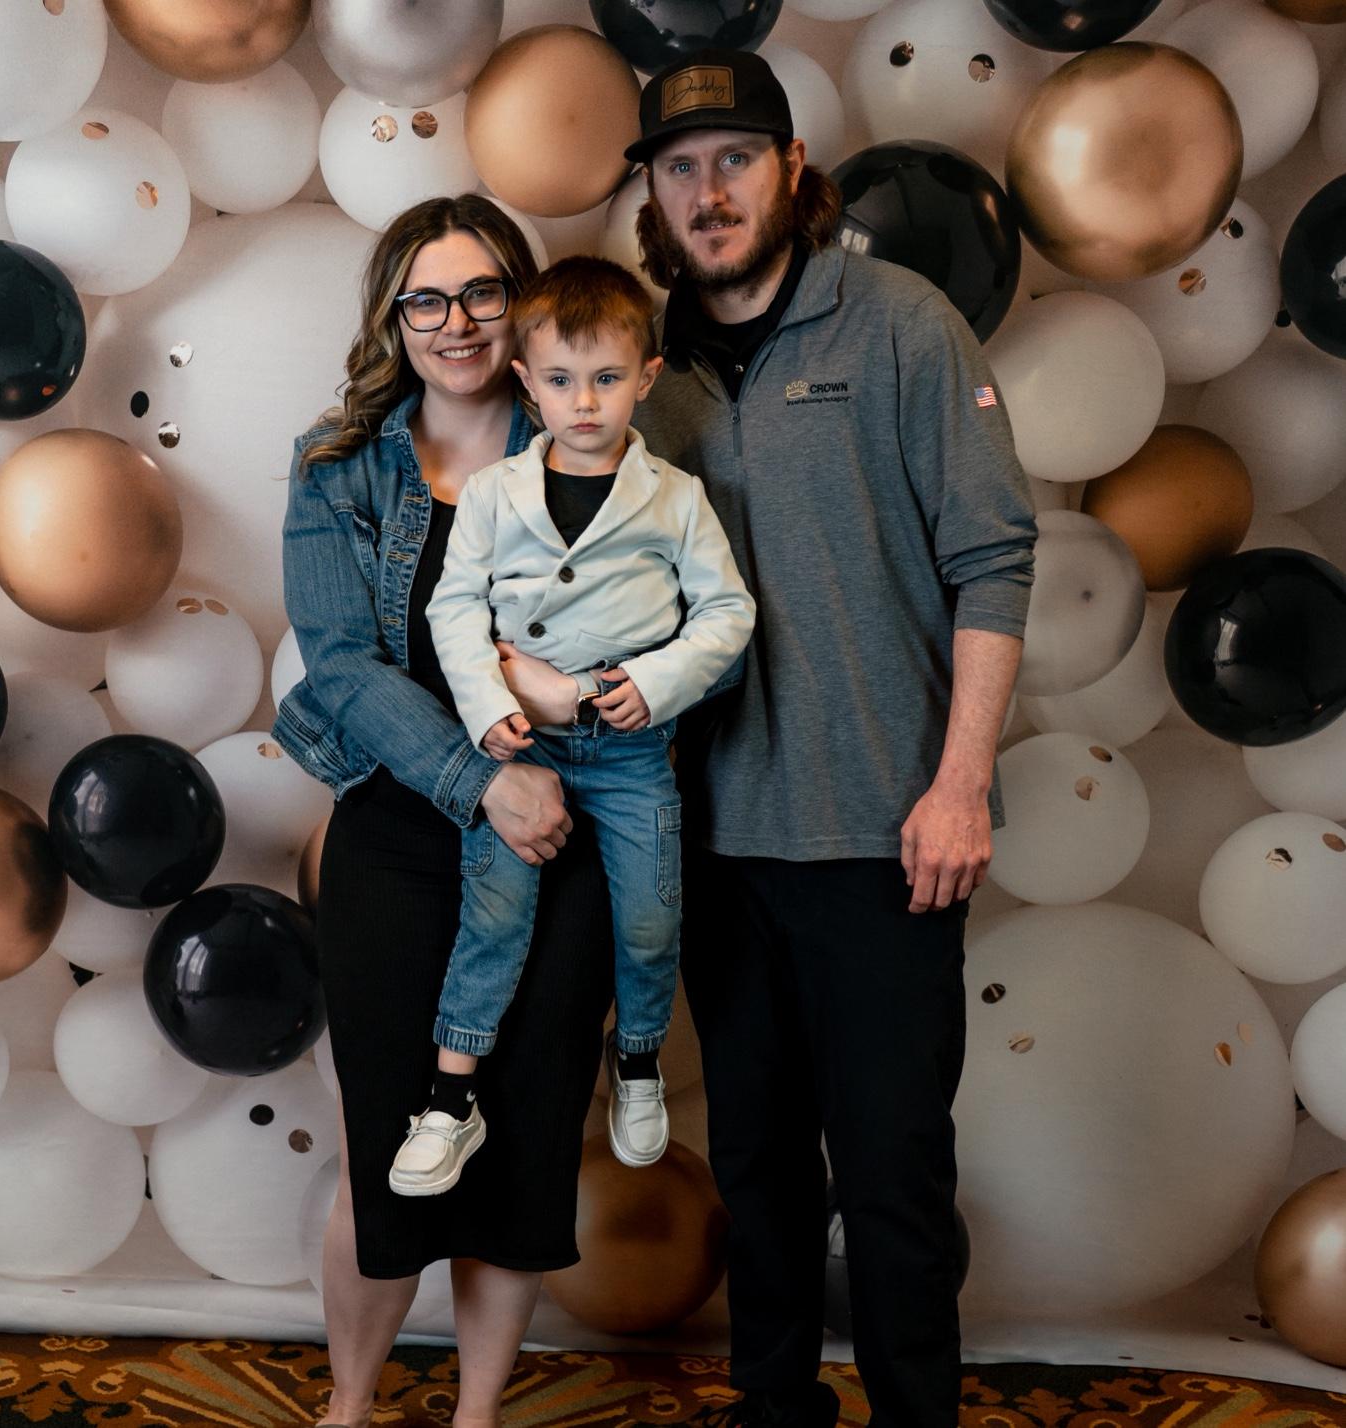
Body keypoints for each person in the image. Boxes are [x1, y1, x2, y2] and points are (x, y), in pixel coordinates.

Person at [626, 48, 1039, 1428]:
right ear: (654, 195)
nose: (708, 191)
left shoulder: (903, 324)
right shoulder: (641, 370)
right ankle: (775, 1407)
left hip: (888, 835)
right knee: (756, 1166)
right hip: (715, 843)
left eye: (735, 159)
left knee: (893, 1175)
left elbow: (994, 557)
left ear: (792, 169)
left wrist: (960, 786)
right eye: (680, 168)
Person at [275, 194, 614, 1428]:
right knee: (392, 1153)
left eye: (481, 293)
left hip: (562, 838)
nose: (456, 322)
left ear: (520, 303)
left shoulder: (595, 447)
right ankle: (349, 1409)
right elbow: (343, 666)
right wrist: (484, 781)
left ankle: (476, 1417)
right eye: (427, 298)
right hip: (402, 840)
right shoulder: (338, 464)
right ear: (394, 317)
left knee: (519, 1147)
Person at [385, 256, 754, 1195]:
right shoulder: (495, 492)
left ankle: (638, 1058)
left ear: (647, 379)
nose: (583, 403)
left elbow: (728, 612)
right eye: (559, 380)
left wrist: (657, 682)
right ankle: (450, 1099)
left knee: (652, 916)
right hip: (523, 744)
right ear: (526, 382)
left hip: (631, 748)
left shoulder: (674, 497)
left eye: (606, 378)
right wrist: (490, 706)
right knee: (493, 916)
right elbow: (453, 610)